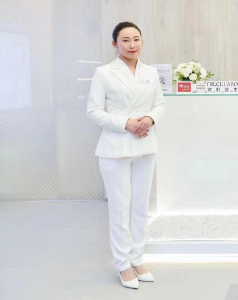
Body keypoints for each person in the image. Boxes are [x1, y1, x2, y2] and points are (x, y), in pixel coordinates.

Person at [87, 22, 166, 289]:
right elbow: (94, 111)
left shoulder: (150, 72)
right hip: (115, 148)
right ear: (115, 44)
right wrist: (126, 123)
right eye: (126, 40)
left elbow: (160, 105)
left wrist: (149, 119)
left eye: (136, 39)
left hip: (145, 146)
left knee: (141, 207)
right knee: (120, 208)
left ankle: (137, 259)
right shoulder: (103, 73)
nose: (132, 45)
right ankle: (123, 264)